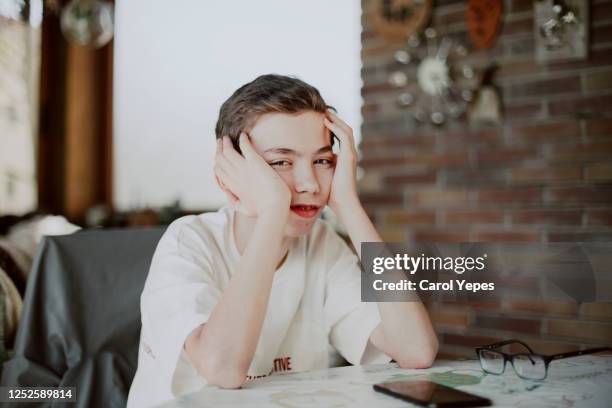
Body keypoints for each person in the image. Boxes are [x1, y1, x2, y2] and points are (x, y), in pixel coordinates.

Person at [127, 74, 438, 407]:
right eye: (280, 162)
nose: (309, 184)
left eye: (322, 161)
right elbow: (223, 368)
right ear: (230, 174)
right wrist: (273, 211)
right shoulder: (188, 241)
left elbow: (415, 351)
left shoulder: (323, 244)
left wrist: (349, 206)